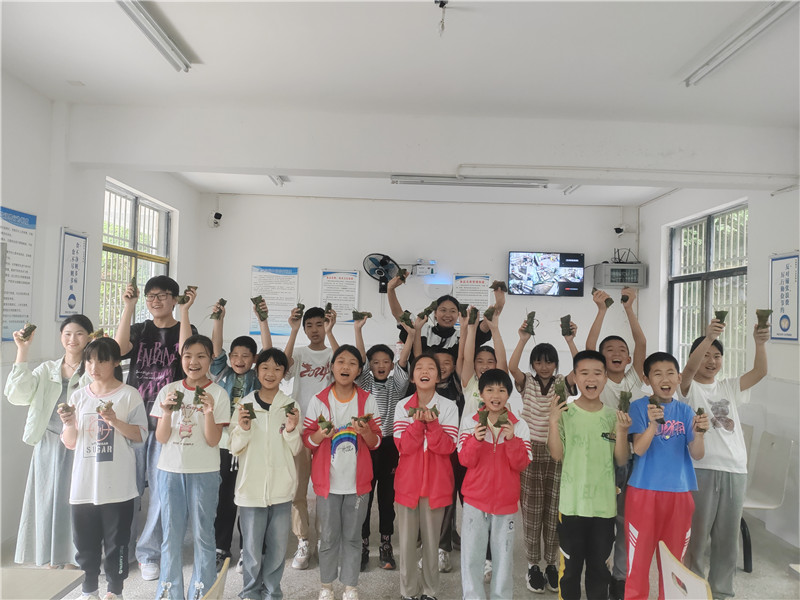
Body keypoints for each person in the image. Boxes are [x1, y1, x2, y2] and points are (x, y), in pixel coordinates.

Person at [680, 318, 769, 600]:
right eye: (706, 355)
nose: (711, 361)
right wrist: (708, 337)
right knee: (697, 538)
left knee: (727, 540)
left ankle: (721, 592)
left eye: (717, 356)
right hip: (701, 469)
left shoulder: (729, 387)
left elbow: (760, 371)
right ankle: (693, 590)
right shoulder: (688, 388)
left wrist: (759, 343)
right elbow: (688, 371)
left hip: (735, 470)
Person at [115, 275, 195, 581]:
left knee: (162, 492)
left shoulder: (184, 328)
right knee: (127, 488)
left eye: (162, 295)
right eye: (151, 296)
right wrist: (128, 306)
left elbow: (187, 352)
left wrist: (185, 312)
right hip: (133, 420)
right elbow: (119, 348)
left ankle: (148, 553)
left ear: (174, 298)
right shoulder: (140, 329)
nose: (156, 301)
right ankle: (122, 549)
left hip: (166, 422)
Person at [59, 337, 148, 600]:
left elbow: (140, 437)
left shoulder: (129, 395)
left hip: (118, 487)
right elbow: (71, 442)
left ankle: (115, 591)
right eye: (89, 361)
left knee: (116, 544)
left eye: (101, 360)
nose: (93, 367)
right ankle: (89, 591)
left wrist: (115, 421)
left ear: (116, 362)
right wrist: (69, 423)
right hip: (84, 486)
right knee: (84, 544)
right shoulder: (78, 396)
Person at [5, 314, 94, 568]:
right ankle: (49, 556)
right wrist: (22, 350)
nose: (73, 339)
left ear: (89, 337)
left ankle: (74, 556)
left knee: (75, 500)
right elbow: (17, 394)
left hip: (80, 442)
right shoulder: (47, 369)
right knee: (45, 500)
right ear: (61, 337)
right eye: (67, 334)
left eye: (79, 333)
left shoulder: (92, 369)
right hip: (47, 442)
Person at [151, 334, 232, 600]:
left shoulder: (218, 394)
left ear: (210, 359)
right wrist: (166, 412)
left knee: (203, 535)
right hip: (170, 471)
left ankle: (202, 590)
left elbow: (213, 440)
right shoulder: (169, 390)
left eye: (200, 356)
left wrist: (208, 412)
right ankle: (169, 591)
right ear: (181, 358)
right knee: (171, 535)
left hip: (204, 472)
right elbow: (162, 437)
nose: (193, 362)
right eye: (188, 356)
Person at [547, 350, 631, 600]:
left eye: (597, 373)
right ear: (575, 377)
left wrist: (622, 432)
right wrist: (553, 422)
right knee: (570, 571)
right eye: (584, 373)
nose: (591, 379)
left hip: (603, 508)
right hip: (571, 506)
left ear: (605, 378)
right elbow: (556, 455)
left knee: (599, 570)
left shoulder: (613, 416)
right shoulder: (566, 413)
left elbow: (621, 459)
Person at [625, 352, 708, 600]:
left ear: (679, 377)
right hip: (643, 493)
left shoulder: (685, 411)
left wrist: (699, 434)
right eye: (658, 374)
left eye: (670, 373)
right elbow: (639, 449)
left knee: (674, 565)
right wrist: (653, 424)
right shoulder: (638, 407)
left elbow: (697, 454)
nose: (665, 379)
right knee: (638, 562)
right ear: (646, 379)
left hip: (680, 494)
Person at [301, 345, 381, 600]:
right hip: (328, 483)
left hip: (358, 484)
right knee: (328, 537)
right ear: (332, 366)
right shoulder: (319, 400)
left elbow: (376, 441)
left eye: (352, 363)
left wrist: (365, 432)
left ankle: (350, 587)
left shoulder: (367, 400)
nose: (346, 367)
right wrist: (319, 434)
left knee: (353, 537)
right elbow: (307, 440)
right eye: (341, 362)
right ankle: (326, 586)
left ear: (359, 370)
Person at [585, 287, 646, 600]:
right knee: (600, 521)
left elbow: (641, 343)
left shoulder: (634, 378)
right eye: (609, 349)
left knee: (625, 521)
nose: (616, 352)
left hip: (631, 459)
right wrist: (602, 311)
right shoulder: (599, 379)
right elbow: (589, 346)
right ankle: (598, 571)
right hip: (601, 458)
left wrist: (629, 308)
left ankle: (620, 577)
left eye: (621, 349)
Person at [508, 319, 578, 594]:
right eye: (539, 362)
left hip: (557, 450)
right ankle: (532, 565)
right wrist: (523, 339)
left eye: (549, 362)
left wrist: (570, 340)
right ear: (534, 364)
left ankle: (551, 563)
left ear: (556, 364)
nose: (544, 366)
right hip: (530, 450)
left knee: (553, 510)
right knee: (532, 510)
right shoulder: (527, 382)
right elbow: (512, 367)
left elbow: (580, 369)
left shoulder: (562, 383)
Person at [230, 348, 302, 600]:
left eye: (277, 369)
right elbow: (234, 447)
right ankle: (250, 592)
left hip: (281, 489)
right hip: (250, 489)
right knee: (250, 548)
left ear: (284, 373)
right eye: (265, 367)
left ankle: (272, 591)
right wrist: (243, 429)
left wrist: (291, 430)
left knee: (278, 547)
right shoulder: (245, 405)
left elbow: (296, 448)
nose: (270, 373)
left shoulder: (290, 406)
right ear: (257, 370)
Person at [209, 298, 272, 572]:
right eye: (235, 355)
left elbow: (269, 352)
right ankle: (221, 547)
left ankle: (249, 547)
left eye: (246, 356)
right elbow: (216, 350)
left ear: (254, 359)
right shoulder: (222, 372)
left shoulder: (259, 377)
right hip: (225, 445)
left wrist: (262, 320)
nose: (239, 360)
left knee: (249, 498)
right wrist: (219, 319)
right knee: (224, 498)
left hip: (251, 445)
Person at [458, 369, 532, 600]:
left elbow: (522, 464)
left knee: (503, 558)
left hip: (505, 503)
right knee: (472, 557)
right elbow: (465, 460)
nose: (495, 395)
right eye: (489, 390)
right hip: (475, 501)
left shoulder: (519, 425)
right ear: (481, 394)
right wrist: (476, 440)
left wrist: (511, 440)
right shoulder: (470, 423)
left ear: (508, 394)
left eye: (501, 390)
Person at [393, 353, 459, 600]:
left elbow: (448, 447)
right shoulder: (402, 407)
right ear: (412, 377)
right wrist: (419, 423)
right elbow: (404, 447)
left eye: (431, 368)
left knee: (432, 544)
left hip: (436, 485)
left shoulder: (449, 407)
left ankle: (430, 592)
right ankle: (408, 592)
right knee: (407, 544)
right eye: (419, 367)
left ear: (438, 377)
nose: (425, 371)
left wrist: (432, 425)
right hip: (407, 485)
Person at [352, 316, 414, 571]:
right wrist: (358, 330)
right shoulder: (365, 383)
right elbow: (360, 359)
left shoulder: (397, 385)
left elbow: (404, 359)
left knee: (387, 499)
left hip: (389, 447)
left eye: (385, 362)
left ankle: (386, 545)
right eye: (375, 362)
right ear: (369, 365)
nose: (380, 365)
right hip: (366, 446)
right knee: (364, 497)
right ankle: (363, 544)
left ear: (391, 365)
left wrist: (411, 334)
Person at [284, 305, 339, 570]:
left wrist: (331, 332)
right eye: (310, 325)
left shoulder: (332, 354)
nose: (315, 330)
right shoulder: (299, 353)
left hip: (328, 431)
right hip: (300, 429)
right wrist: (293, 331)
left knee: (327, 489)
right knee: (298, 489)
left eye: (320, 324)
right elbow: (282, 368)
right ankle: (303, 540)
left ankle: (325, 540)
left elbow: (346, 366)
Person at [387, 276, 503, 359]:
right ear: (435, 313)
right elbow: (399, 315)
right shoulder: (421, 329)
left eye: (453, 311)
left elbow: (487, 323)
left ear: (458, 314)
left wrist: (499, 303)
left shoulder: (464, 335)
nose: (448, 315)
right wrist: (390, 290)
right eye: (443, 310)